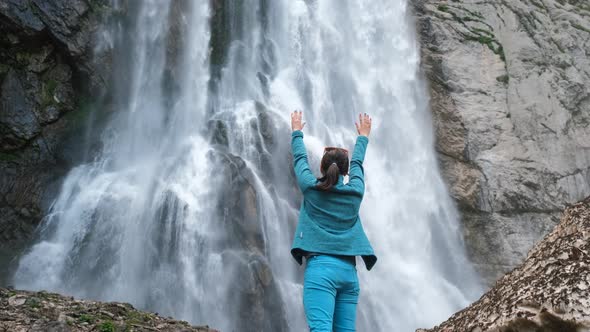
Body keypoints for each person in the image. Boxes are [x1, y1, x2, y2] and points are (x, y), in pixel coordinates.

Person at [290, 111, 377, 332]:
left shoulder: (310, 189)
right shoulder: (355, 192)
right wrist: (363, 137)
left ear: (321, 167)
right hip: (348, 273)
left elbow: (300, 161)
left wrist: (296, 133)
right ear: (346, 172)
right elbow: (358, 163)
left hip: (320, 269)